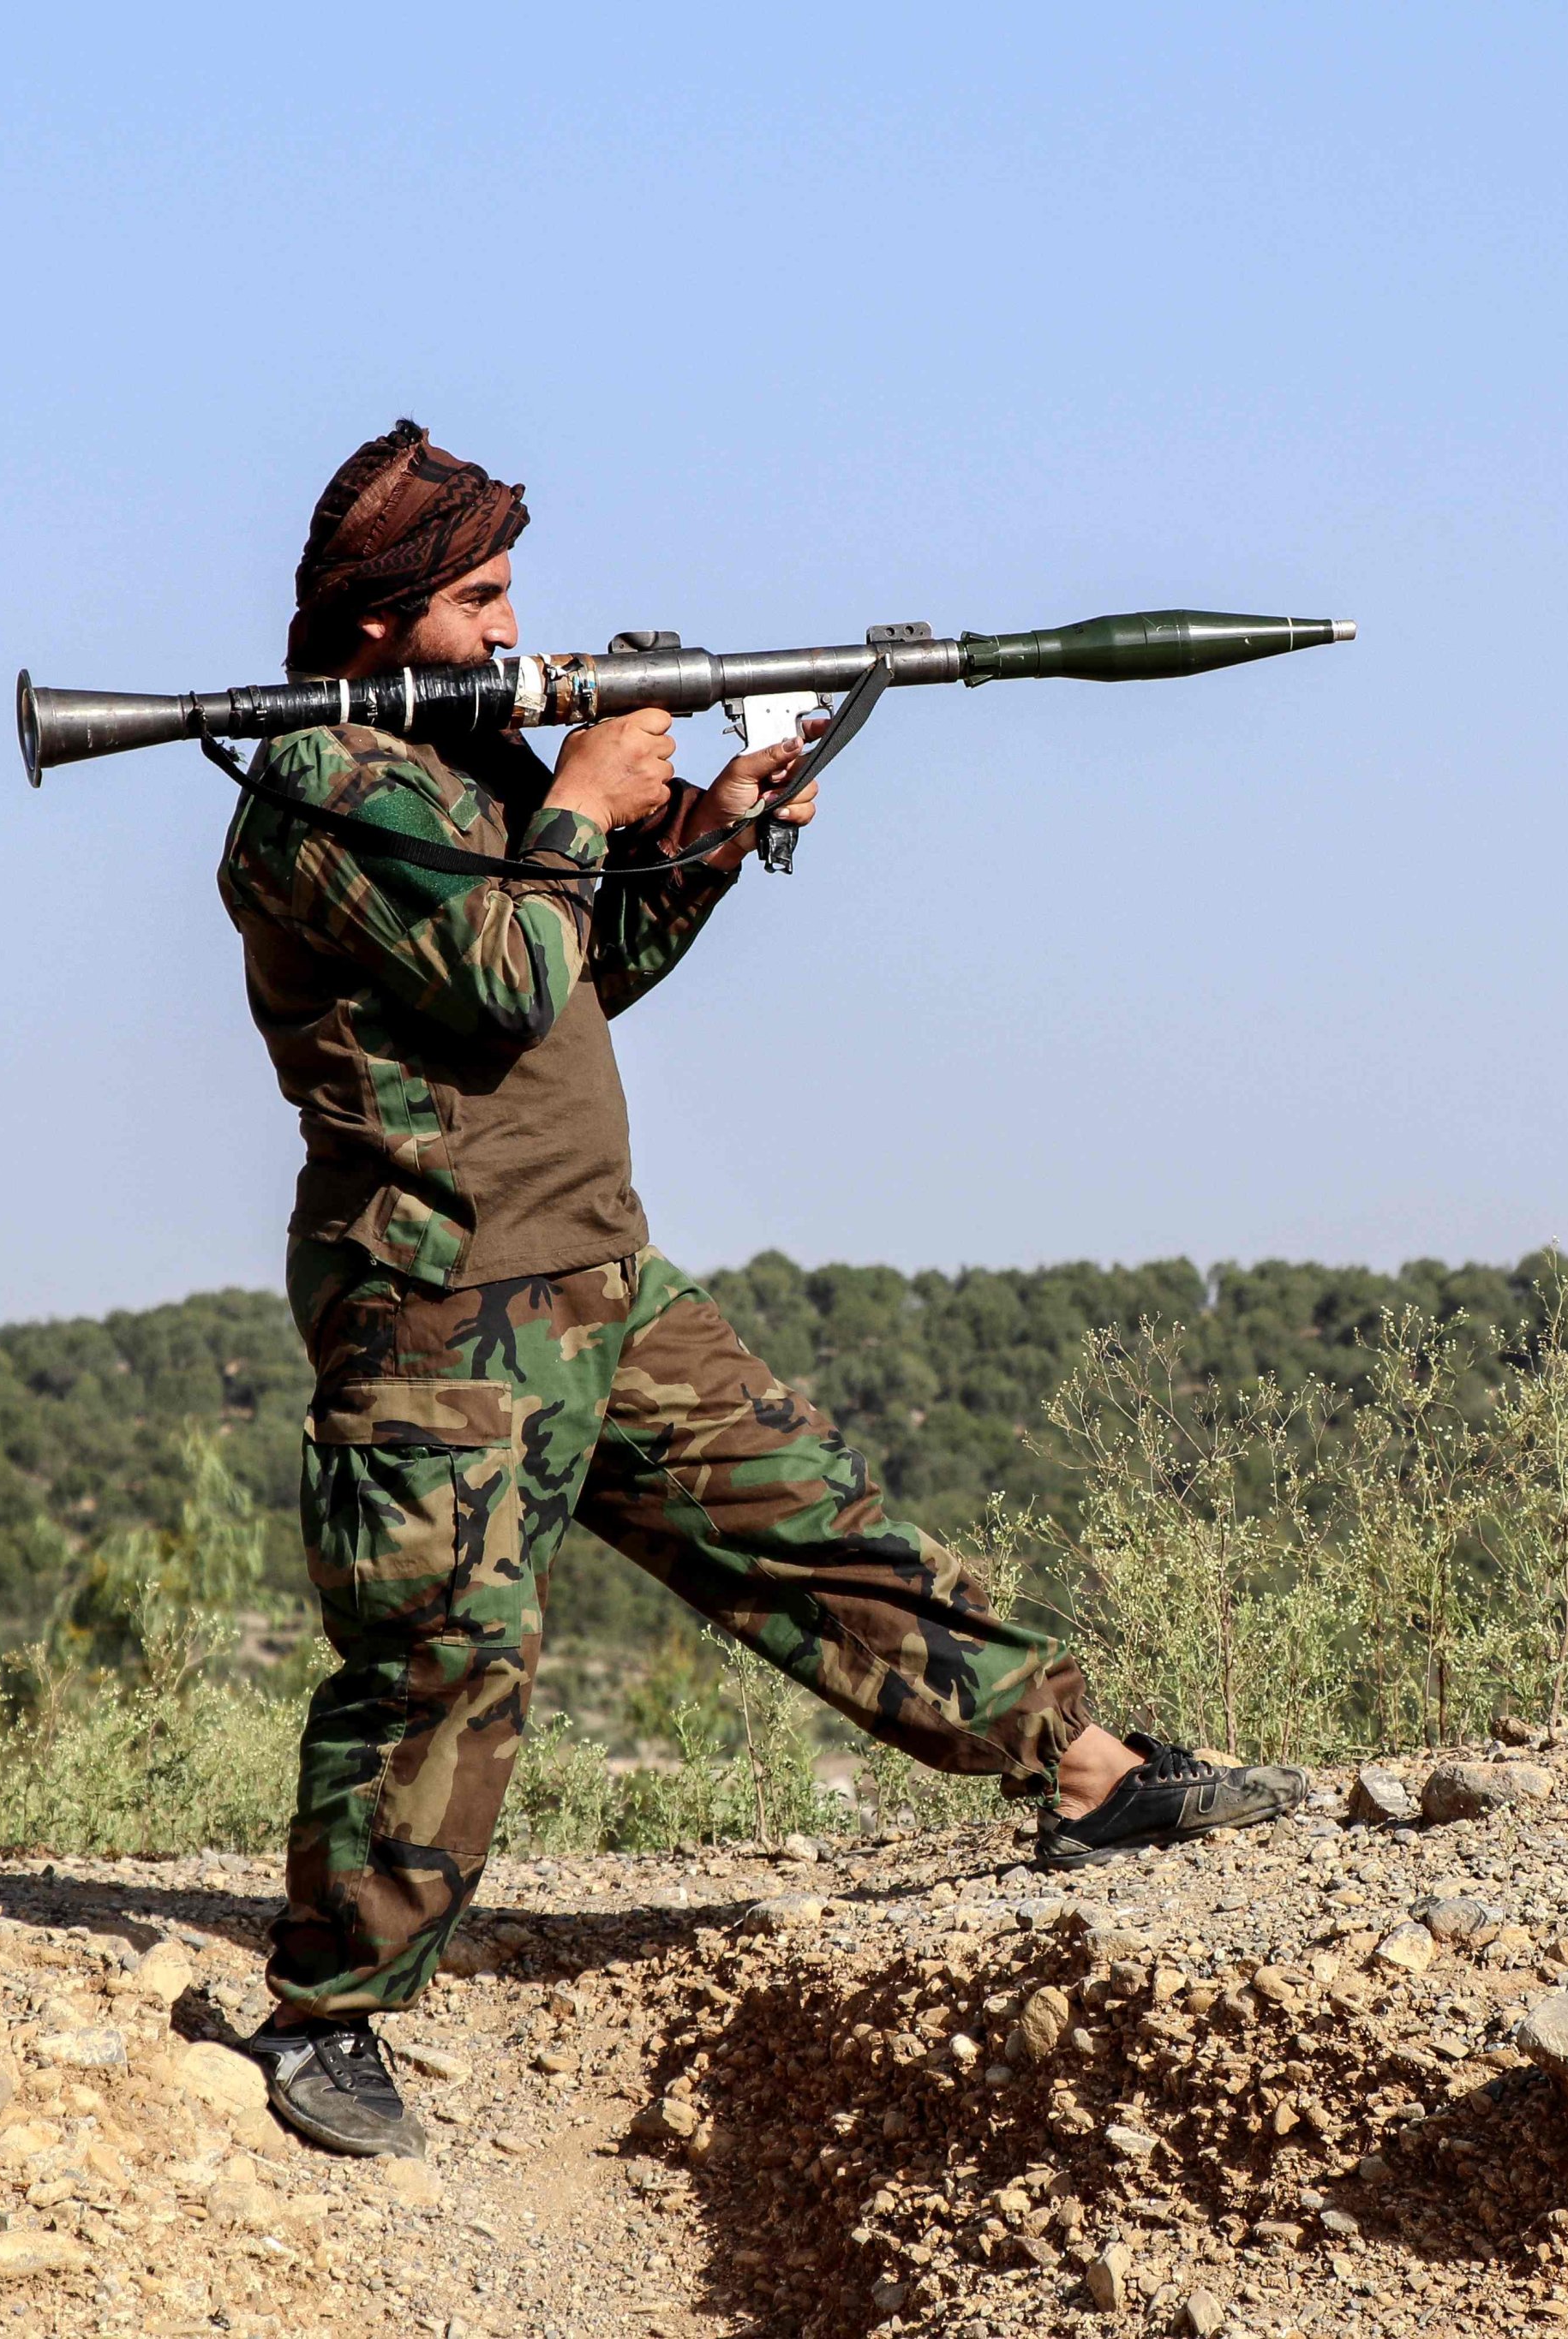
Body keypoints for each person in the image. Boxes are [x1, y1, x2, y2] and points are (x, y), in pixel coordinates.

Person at [219, 421, 1311, 2157]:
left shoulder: (465, 764)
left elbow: (587, 965)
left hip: (594, 1271)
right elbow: (503, 978)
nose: (512, 628)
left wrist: (713, 828)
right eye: (479, 597)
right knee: (441, 1656)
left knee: (809, 1519)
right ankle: (325, 2014)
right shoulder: (323, 789)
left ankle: (1085, 1770)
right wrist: (585, 796)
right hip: (439, 1304)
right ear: (378, 619)